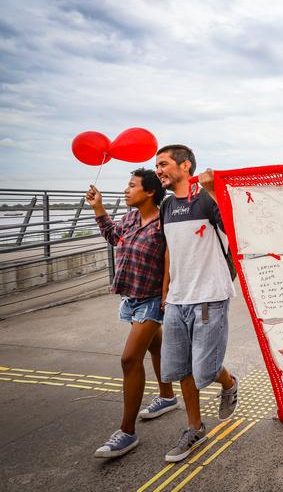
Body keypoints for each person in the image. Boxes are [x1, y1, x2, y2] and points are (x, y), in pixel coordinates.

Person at [155, 144, 238, 463]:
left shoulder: (206, 199)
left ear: (185, 165)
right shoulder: (166, 205)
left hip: (209, 296)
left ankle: (229, 383)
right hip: (177, 299)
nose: (159, 170)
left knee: (206, 369)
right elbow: (170, 250)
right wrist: (166, 291)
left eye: (164, 164)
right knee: (181, 369)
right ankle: (194, 427)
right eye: (157, 165)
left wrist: (215, 189)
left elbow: (234, 230)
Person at [88, 169, 178, 458]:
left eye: (131, 186)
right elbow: (112, 235)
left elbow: (174, 258)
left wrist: (167, 293)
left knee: (129, 359)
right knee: (155, 346)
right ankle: (167, 396)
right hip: (132, 297)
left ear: (150, 191)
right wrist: (99, 208)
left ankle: (126, 433)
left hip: (153, 299)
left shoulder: (165, 223)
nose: (126, 190)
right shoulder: (129, 219)